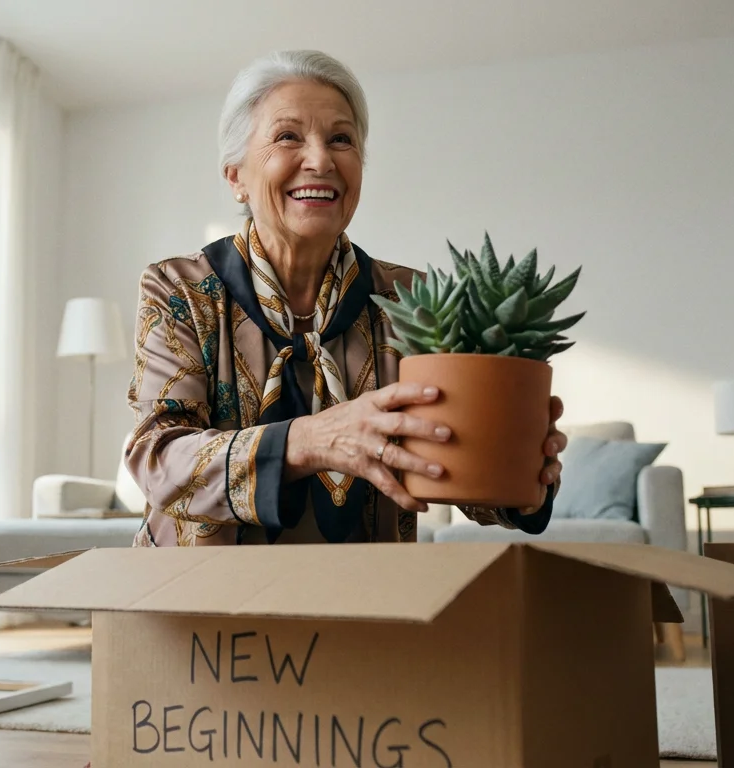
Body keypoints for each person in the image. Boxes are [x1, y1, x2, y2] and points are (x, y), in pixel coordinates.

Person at [125, 50, 566, 547]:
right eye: (288, 136)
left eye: (341, 139)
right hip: (203, 607)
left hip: (366, 600)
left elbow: (447, 459)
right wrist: (310, 440)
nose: (320, 160)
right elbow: (158, 459)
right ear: (235, 176)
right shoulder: (181, 289)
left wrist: (520, 479)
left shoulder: (411, 299)